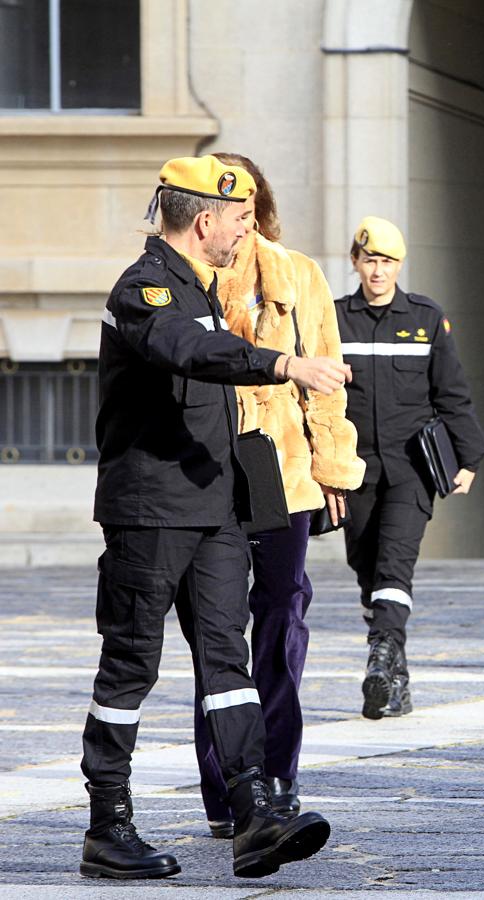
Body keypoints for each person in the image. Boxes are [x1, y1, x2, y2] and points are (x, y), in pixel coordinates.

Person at [83, 155, 347, 879]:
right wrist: (283, 365)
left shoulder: (199, 287)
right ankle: (108, 828)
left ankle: (253, 813)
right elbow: (190, 352)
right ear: (205, 221)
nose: (246, 230)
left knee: (227, 664)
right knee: (130, 665)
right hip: (152, 512)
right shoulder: (145, 289)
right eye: (238, 218)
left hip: (214, 509)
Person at [180, 153, 366, 837]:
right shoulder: (181, 276)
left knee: (282, 616)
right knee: (215, 631)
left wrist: (334, 468)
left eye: (247, 200)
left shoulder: (299, 273)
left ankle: (278, 775)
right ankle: (229, 788)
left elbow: (326, 378)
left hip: (282, 474)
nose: (239, 214)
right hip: (205, 473)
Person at [335, 216, 484, 720]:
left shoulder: (425, 317)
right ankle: (393, 678)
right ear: (355, 262)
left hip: (410, 470)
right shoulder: (333, 321)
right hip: (355, 470)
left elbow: (452, 392)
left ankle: (380, 656)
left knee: (394, 563)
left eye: (387, 261)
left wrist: (469, 457)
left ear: (400, 265)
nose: (378, 271)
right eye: (370, 260)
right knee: (366, 567)